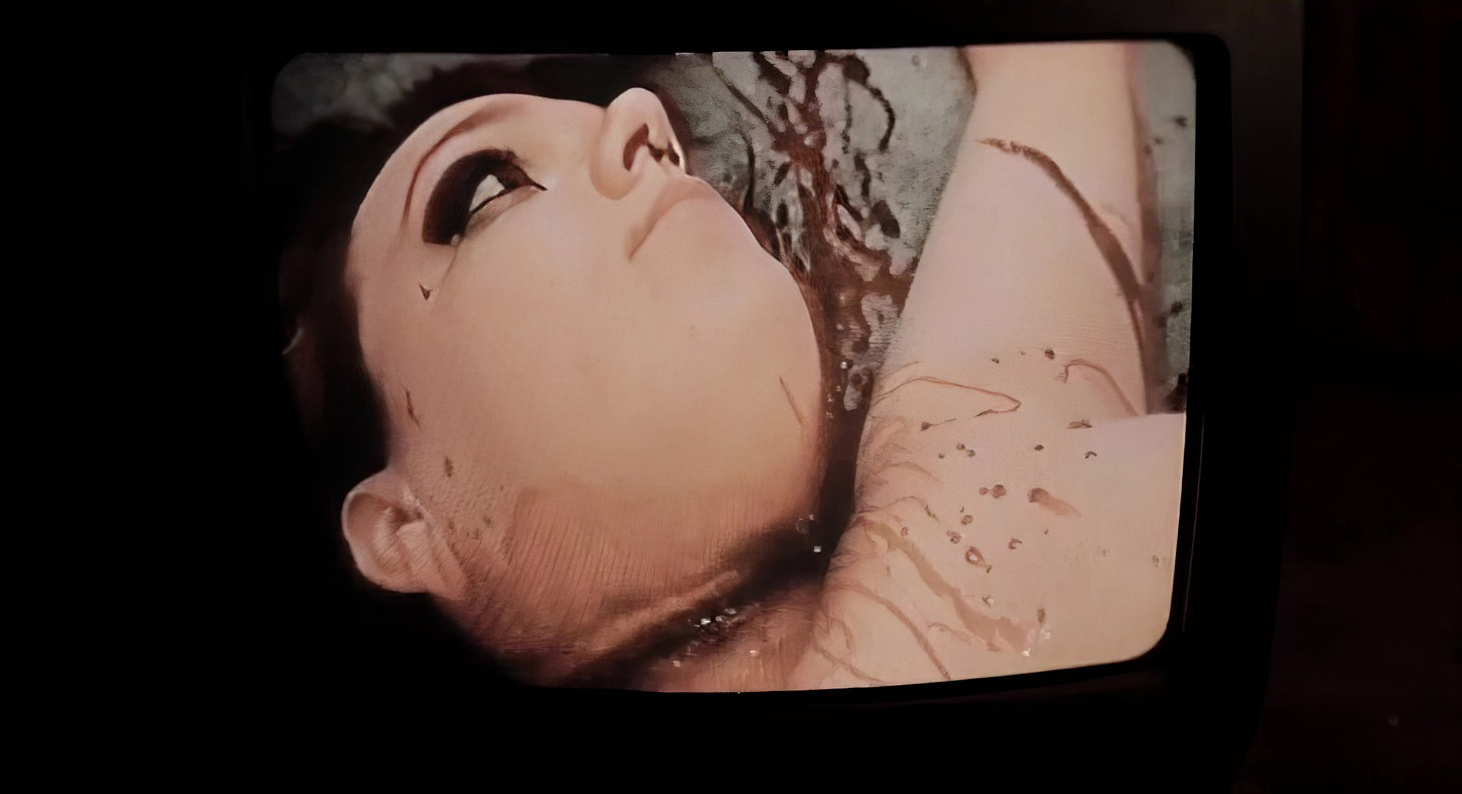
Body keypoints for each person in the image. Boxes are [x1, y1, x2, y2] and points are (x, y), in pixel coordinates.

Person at [278, 42, 1188, 692]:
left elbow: (1059, 67)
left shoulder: (962, 472)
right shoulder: (970, 488)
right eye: (485, 187)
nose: (642, 119)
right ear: (402, 529)